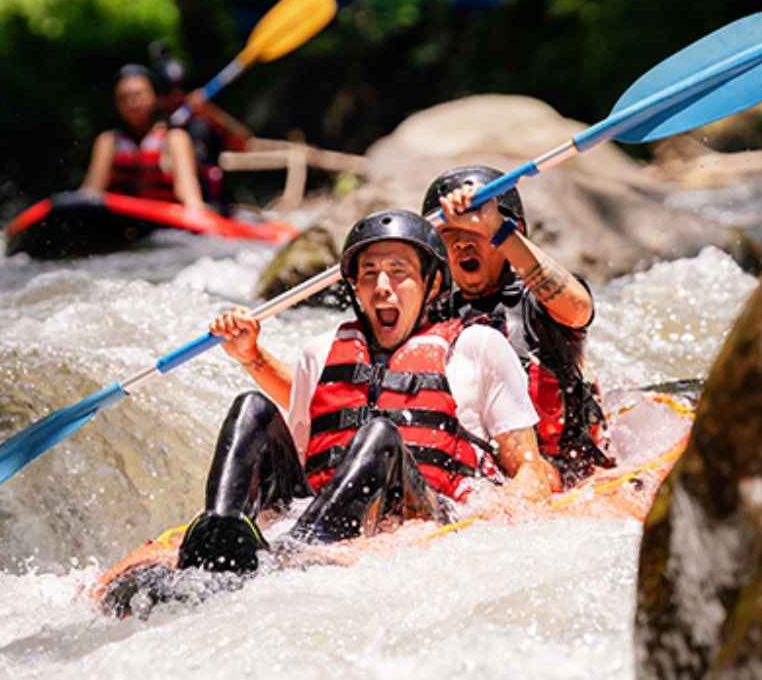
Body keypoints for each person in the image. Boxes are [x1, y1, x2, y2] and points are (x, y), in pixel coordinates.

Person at [178, 209, 548, 575]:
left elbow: (529, 470)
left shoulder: (479, 346)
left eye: (398, 272)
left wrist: (500, 513)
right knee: (250, 407)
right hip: (315, 509)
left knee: (380, 435)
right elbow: (306, 462)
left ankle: (303, 548)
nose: (382, 286)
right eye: (369, 273)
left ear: (432, 285)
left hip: (425, 509)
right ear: (354, 286)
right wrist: (251, 357)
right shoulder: (319, 352)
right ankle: (219, 529)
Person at [422, 165, 615, 489]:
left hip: (559, 471)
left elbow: (579, 308)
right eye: (449, 235)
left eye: (474, 232)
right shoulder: (431, 315)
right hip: (479, 471)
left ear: (515, 231)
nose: (461, 245)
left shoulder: (538, 302)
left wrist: (495, 226)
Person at [79, 64, 207, 212]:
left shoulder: (175, 139)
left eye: (138, 95)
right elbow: (91, 192)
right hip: (120, 225)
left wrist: (197, 212)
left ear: (155, 97)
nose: (131, 103)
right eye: (123, 98)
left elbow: (189, 194)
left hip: (165, 226)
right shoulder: (108, 141)